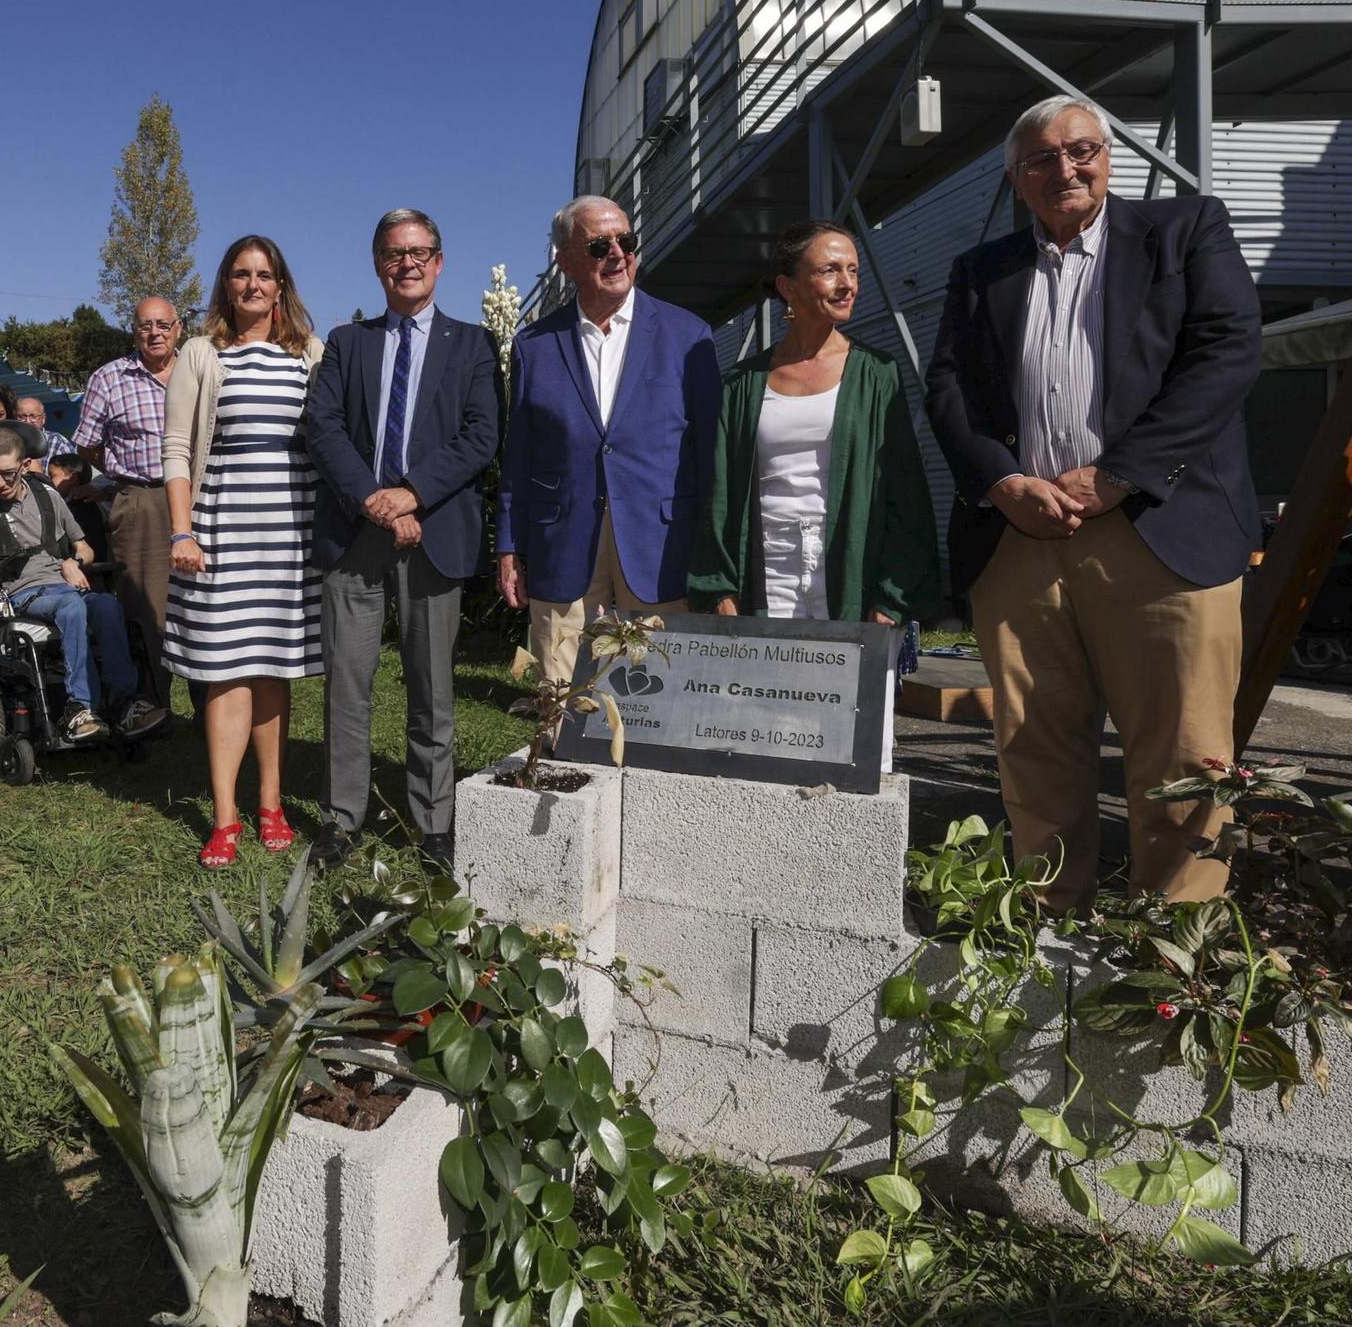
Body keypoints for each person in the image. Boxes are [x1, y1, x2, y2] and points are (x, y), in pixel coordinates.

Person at [925, 94, 1262, 912]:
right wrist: (1005, 483)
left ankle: (1173, 957)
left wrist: (1115, 475)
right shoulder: (983, 269)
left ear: (1108, 156)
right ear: (1016, 179)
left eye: (1081, 150)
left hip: (1158, 529)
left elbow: (1227, 351)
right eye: (1041, 159)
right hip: (1020, 541)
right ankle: (1048, 930)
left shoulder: (1184, 231)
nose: (1064, 168)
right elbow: (949, 390)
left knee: (1183, 756)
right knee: (1033, 749)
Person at [304, 208, 500, 871]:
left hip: (435, 530)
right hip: (354, 531)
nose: (406, 262)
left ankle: (433, 823)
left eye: (418, 251)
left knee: (432, 687)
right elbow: (322, 427)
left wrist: (412, 493)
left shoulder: (473, 344)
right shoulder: (346, 341)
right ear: (377, 264)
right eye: (393, 253)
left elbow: (480, 436)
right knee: (347, 684)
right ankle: (341, 819)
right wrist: (376, 501)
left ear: (439, 261)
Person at [495, 196, 722, 688]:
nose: (618, 253)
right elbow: (520, 455)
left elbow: (710, 453)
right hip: (563, 542)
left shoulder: (689, 336)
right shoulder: (534, 345)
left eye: (627, 240)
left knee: (663, 689)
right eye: (599, 246)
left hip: (661, 542)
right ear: (566, 261)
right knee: (560, 693)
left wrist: (712, 547)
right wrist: (509, 546)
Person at [163, 237, 324, 868]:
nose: (253, 284)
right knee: (224, 671)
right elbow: (177, 449)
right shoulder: (200, 354)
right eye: (241, 274)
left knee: (272, 672)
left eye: (264, 274)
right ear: (226, 285)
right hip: (221, 530)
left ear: (281, 285)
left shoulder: (310, 353)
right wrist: (182, 531)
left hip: (290, 535)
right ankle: (226, 817)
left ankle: (272, 804)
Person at [689, 220, 940, 625]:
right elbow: (719, 493)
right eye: (829, 270)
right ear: (788, 287)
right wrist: (720, 589)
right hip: (767, 566)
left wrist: (892, 596)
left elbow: (905, 490)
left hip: (848, 565)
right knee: (764, 685)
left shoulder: (877, 372)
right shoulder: (742, 383)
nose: (848, 284)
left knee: (848, 686)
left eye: (854, 270)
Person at [0, 423, 166, 743]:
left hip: (61, 582)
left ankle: (124, 702)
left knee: (109, 606)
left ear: (25, 466)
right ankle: (80, 707)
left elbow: (84, 547)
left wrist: (74, 561)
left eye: (8, 474)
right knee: (71, 605)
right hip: (16, 590)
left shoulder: (47, 497)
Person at [75, 296, 184, 717]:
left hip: (200, 496)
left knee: (204, 603)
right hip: (142, 499)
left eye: (162, 325)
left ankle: (211, 703)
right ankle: (153, 707)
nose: (154, 333)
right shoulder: (109, 377)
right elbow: (87, 444)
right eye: (145, 326)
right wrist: (125, 475)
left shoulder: (198, 370)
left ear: (178, 329)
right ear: (133, 331)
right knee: (147, 609)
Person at [15, 394, 77, 459]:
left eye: (33, 416)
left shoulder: (56, 442)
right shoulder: (10, 441)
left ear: (43, 418)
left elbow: (72, 467)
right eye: (21, 417)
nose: (27, 421)